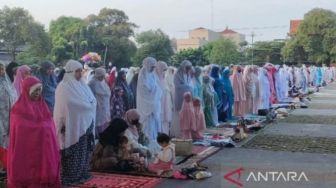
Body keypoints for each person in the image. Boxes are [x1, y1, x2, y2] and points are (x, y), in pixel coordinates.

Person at [7, 76, 60, 187]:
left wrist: (41, 130)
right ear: (27, 90)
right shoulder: (17, 109)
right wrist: (38, 129)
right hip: (27, 152)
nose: (38, 93)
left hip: (43, 149)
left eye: (40, 90)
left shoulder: (43, 106)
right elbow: (20, 129)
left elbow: (50, 125)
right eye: (35, 90)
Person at [54, 60, 96, 186]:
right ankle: (71, 177)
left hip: (85, 124)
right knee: (73, 152)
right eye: (77, 71)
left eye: (80, 71)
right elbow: (69, 104)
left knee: (83, 151)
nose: (79, 74)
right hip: (71, 125)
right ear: (70, 72)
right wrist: (87, 106)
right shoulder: (63, 87)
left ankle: (82, 173)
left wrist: (88, 106)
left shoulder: (83, 85)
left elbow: (92, 100)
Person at [136, 57, 162, 141]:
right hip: (145, 104)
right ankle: (147, 141)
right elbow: (144, 90)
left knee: (153, 124)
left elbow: (156, 86)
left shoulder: (152, 74)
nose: (153, 69)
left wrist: (156, 90)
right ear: (147, 65)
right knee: (146, 124)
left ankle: (153, 140)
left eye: (154, 67)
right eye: (152, 67)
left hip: (152, 103)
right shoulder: (143, 74)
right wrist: (155, 90)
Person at [0, 62, 17, 170]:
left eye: (2, 69)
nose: (1, 71)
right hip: (0, 117)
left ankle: (5, 165)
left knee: (7, 139)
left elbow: (13, 95)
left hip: (8, 116)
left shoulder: (7, 82)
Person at [172, 60, 193, 137]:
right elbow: (177, 86)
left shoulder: (188, 75)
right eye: (187, 68)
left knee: (187, 115)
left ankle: (186, 133)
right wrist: (187, 87)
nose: (188, 70)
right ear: (183, 67)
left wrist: (189, 88)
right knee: (179, 114)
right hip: (180, 97)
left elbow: (190, 85)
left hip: (187, 98)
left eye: (189, 68)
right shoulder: (177, 75)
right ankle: (179, 133)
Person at [88, 68, 111, 134]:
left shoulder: (103, 81)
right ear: (98, 75)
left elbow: (108, 92)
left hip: (104, 106)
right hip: (97, 106)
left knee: (104, 122)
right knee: (97, 122)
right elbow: (90, 95)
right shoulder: (92, 83)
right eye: (101, 76)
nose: (103, 77)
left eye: (103, 76)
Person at [156, 61, 172, 135]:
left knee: (165, 120)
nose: (164, 72)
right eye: (163, 70)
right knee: (160, 118)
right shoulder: (155, 79)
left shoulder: (163, 78)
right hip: (159, 103)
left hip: (165, 103)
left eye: (165, 71)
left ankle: (165, 134)